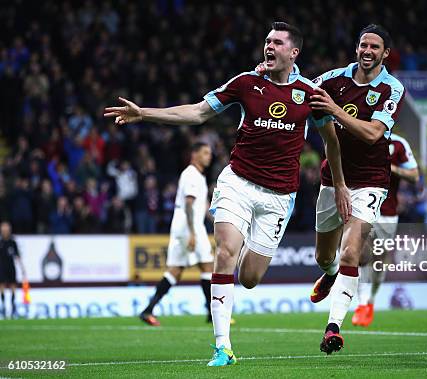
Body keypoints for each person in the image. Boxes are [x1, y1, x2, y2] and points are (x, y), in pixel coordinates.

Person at [104, 22, 350, 367]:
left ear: (293, 53)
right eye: (267, 40)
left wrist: (339, 185)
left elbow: (332, 143)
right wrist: (144, 113)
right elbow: (198, 112)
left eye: (277, 42)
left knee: (249, 278)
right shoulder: (245, 83)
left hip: (279, 197)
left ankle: (321, 267)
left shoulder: (311, 95)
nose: (269, 46)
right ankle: (223, 348)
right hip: (238, 183)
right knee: (225, 254)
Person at [307, 24, 406, 354]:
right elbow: (298, 91)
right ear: (356, 47)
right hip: (332, 177)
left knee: (351, 251)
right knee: (324, 256)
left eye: (374, 47)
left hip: (370, 180)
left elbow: (374, 134)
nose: (367, 51)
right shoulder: (332, 79)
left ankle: (333, 328)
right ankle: (331, 273)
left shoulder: (392, 88)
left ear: (385, 53)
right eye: (363, 44)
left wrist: (334, 110)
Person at [139, 143, 214, 327]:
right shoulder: (190, 175)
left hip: (187, 227)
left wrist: (218, 224)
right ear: (194, 154)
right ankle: (213, 312)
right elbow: (189, 205)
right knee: (207, 266)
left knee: (176, 271)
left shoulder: (198, 176)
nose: (208, 156)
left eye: (210, 153)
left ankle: (148, 310)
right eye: (205, 153)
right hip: (189, 227)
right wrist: (192, 232)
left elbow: (203, 207)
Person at [352, 133, 419, 327]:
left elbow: (414, 175)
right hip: (361, 208)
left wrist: (392, 168)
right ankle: (362, 303)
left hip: (387, 213)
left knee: (379, 260)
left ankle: (370, 299)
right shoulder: (358, 135)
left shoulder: (398, 143)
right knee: (361, 253)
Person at [0, 221, 26, 318]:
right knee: (2, 286)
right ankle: (3, 306)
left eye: (6, 228)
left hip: (11, 266)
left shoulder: (13, 242)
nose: (5, 230)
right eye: (3, 228)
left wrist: (22, 268)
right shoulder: (0, 242)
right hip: (1, 267)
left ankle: (12, 306)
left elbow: (17, 256)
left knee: (13, 286)